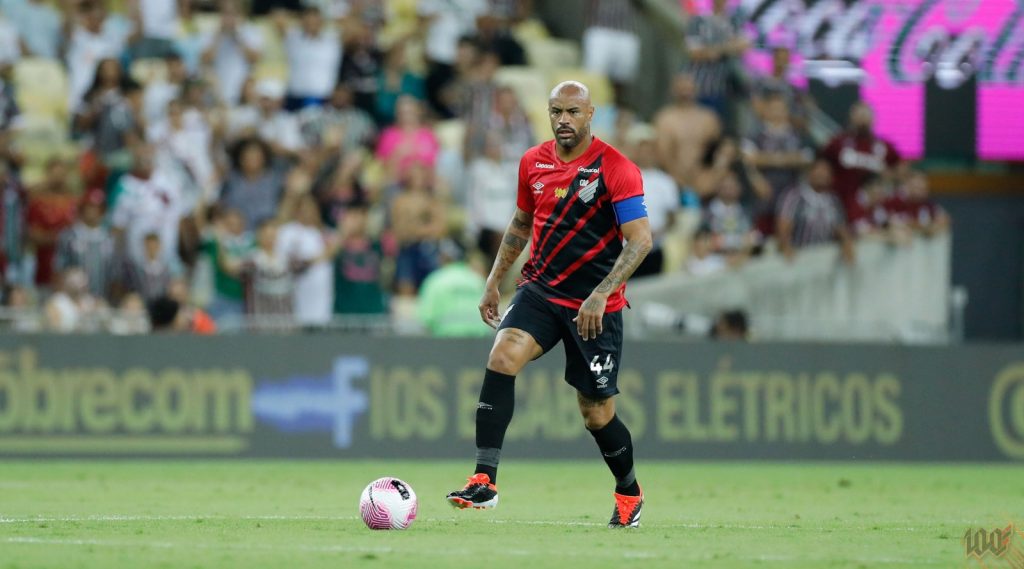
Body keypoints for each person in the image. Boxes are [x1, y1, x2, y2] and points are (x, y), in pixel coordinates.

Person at [445, 81, 653, 529]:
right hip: (540, 290)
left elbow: (640, 241)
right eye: (556, 111)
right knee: (502, 354)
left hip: (594, 307)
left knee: (596, 414)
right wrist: (493, 281)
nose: (563, 119)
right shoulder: (532, 162)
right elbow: (521, 224)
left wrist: (601, 292)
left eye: (572, 112)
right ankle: (484, 480)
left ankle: (628, 491)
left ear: (590, 114)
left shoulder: (615, 168)